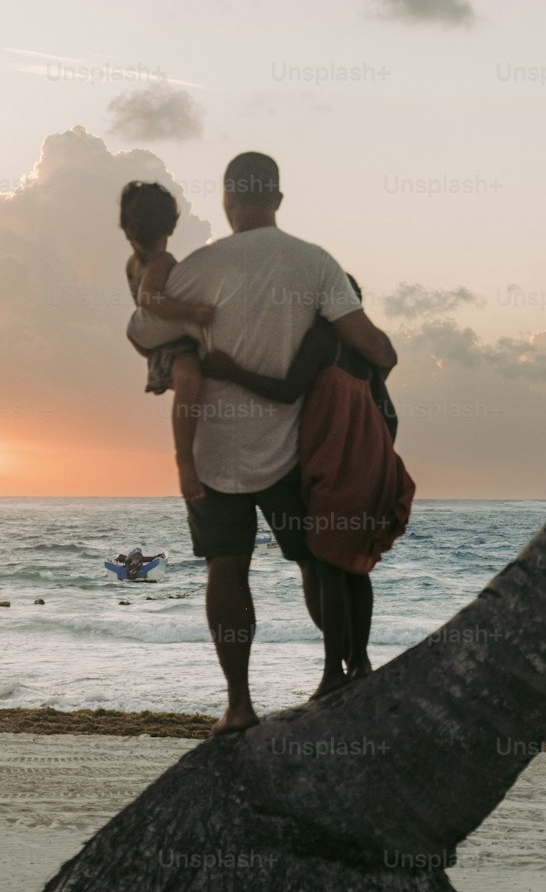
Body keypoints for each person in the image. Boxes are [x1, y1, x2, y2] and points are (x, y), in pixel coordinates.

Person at [127, 152, 397, 735]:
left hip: (209, 454)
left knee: (226, 569)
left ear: (227, 200)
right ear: (277, 199)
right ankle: (348, 674)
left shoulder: (198, 266)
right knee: (315, 564)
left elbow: (141, 331)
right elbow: (371, 344)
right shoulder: (315, 262)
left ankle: (240, 704)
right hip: (294, 449)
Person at [201, 274, 415, 698]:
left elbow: (285, 392)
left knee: (330, 568)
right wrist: (376, 458)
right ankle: (360, 662)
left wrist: (231, 370)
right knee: (354, 564)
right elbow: (389, 415)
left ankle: (333, 672)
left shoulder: (323, 340)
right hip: (369, 463)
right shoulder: (368, 350)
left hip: (335, 466)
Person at [120, 180, 215, 501]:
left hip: (157, 342)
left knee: (193, 386)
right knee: (190, 381)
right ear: (170, 228)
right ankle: (186, 462)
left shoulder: (135, 261)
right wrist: (190, 312)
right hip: (171, 343)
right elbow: (148, 298)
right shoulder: (161, 262)